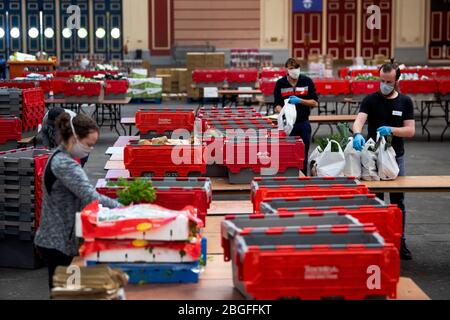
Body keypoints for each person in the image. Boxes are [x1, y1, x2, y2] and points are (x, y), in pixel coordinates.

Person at [34, 113, 121, 290]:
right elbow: (90, 195)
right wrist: (123, 209)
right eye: (88, 144)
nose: (90, 150)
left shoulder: (60, 156)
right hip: (57, 241)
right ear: (74, 138)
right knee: (62, 292)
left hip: (59, 237)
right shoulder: (64, 164)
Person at [352, 62, 415, 260]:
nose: (384, 85)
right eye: (381, 80)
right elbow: (359, 121)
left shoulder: (405, 102)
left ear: (396, 80)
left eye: (388, 81)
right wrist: (356, 133)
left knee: (397, 202)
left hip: (396, 157)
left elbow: (411, 130)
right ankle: (375, 239)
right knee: (375, 201)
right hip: (372, 159)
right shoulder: (370, 100)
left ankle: (399, 240)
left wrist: (392, 130)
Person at [274, 58, 319, 175]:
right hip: (288, 125)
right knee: (287, 153)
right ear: (286, 70)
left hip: (303, 123)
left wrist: (300, 100)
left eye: (296, 68)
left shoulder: (306, 81)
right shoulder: (280, 83)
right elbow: (277, 105)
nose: (294, 71)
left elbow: (314, 103)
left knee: (302, 154)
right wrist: (283, 112)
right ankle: (288, 177)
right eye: (291, 68)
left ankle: (303, 178)